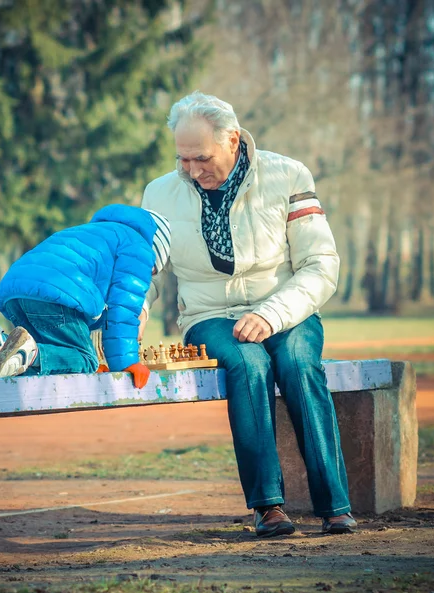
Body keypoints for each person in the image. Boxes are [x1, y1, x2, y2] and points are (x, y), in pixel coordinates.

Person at [139, 91, 356, 536]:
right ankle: (268, 507)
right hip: (209, 316)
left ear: (232, 140)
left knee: (297, 363)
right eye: (183, 159)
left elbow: (321, 265)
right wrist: (128, 322)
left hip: (287, 309)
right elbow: (146, 276)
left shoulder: (288, 174)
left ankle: (335, 505)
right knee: (247, 363)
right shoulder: (159, 194)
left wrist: (274, 313)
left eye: (201, 157)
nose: (192, 170)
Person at [0, 204, 171, 389]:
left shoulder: (97, 232)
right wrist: (125, 363)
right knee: (85, 360)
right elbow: (123, 309)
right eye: (152, 272)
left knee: (50, 360)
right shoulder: (140, 248)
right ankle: (28, 352)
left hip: (15, 289)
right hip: (57, 293)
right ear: (156, 253)